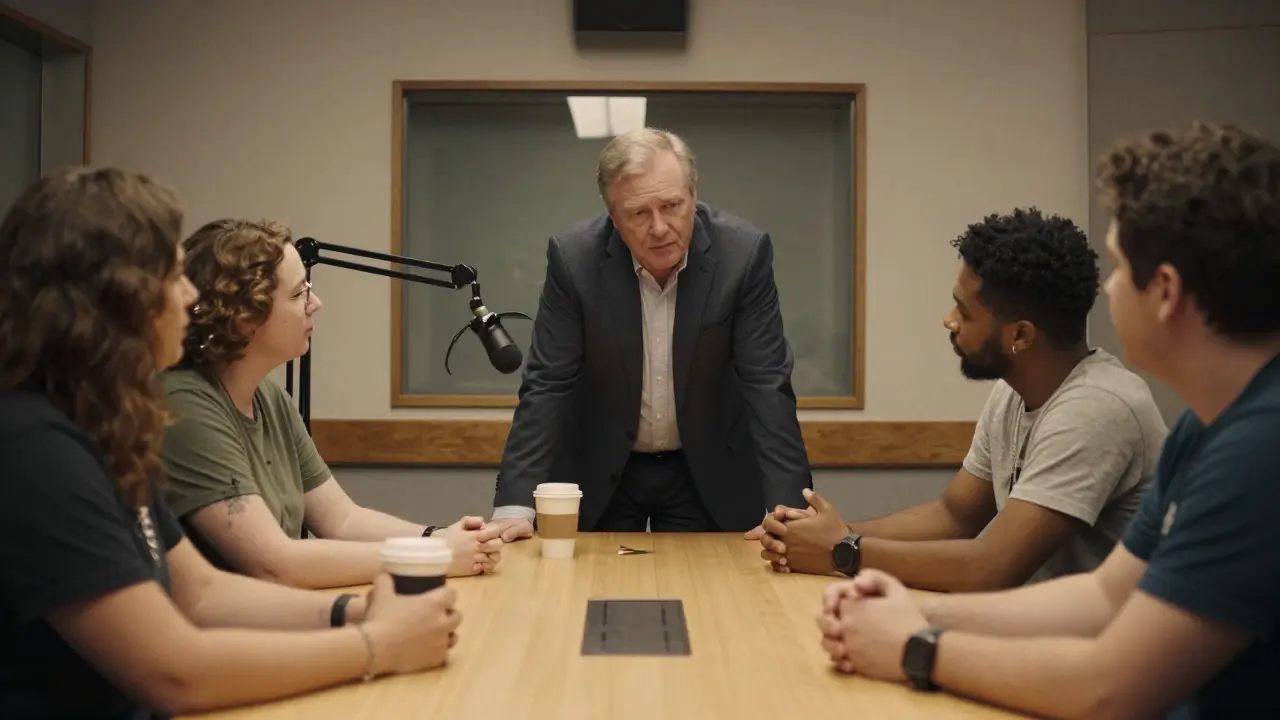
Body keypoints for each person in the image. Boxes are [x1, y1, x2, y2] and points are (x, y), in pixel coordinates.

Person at [817, 122, 1280, 719]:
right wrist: (917, 612)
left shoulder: (1260, 449)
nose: (1108, 290)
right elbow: (1105, 596)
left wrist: (913, 646)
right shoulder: (1206, 427)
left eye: (1118, 269)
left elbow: (1110, 689)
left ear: (1164, 291)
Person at [0, 168, 462, 719]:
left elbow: (200, 595)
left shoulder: (102, 424)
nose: (192, 295)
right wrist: (377, 645)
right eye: (173, 277)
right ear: (116, 298)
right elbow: (176, 671)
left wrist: (359, 613)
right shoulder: (35, 447)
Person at [760, 208, 1167, 592]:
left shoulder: (1097, 408)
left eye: (964, 311)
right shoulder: (1012, 392)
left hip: (1106, 651)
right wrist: (820, 535)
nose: (948, 320)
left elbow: (991, 566)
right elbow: (953, 516)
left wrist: (842, 550)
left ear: (1020, 336)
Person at [486, 127, 812, 540]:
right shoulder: (574, 259)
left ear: (693, 196)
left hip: (706, 468)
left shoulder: (742, 256)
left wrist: (793, 513)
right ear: (612, 214)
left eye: (672, 205)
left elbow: (767, 385)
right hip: (601, 466)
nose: (659, 227)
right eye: (638, 213)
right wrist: (513, 506)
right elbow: (547, 384)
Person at [160, 219, 501, 589]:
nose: (315, 304)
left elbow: (341, 520)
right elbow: (274, 564)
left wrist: (438, 538)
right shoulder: (185, 404)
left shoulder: (270, 399)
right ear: (244, 317)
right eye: (297, 295)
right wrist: (434, 556)